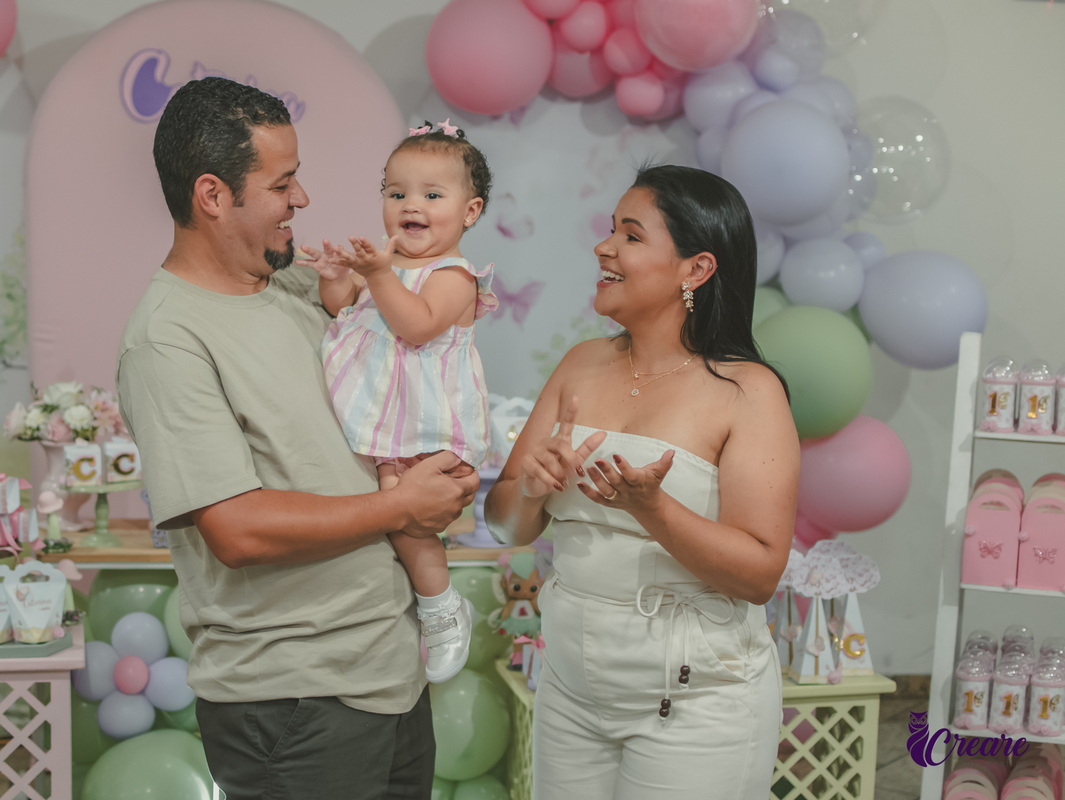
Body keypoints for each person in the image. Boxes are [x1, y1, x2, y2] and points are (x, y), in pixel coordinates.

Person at [115, 77, 478, 800]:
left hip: (387, 676)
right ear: (213, 196)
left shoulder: (297, 290)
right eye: (284, 183)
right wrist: (403, 506)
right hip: (294, 704)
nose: (302, 200)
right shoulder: (168, 339)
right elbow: (238, 529)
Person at [485, 165, 799, 800]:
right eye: (609, 231)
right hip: (571, 688)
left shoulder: (747, 392)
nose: (604, 248)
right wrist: (532, 487)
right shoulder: (581, 364)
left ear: (696, 269)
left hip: (695, 701)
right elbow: (504, 522)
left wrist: (654, 510)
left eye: (630, 235)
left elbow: (760, 572)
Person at [296, 119, 496, 684]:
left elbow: (416, 327)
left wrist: (379, 276)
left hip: (428, 425)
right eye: (396, 192)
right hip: (385, 419)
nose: (412, 204)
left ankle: (442, 608)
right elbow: (342, 310)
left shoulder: (454, 275)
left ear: (470, 212)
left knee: (406, 519)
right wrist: (338, 278)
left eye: (433, 195)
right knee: (389, 511)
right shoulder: (383, 266)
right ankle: (427, 601)